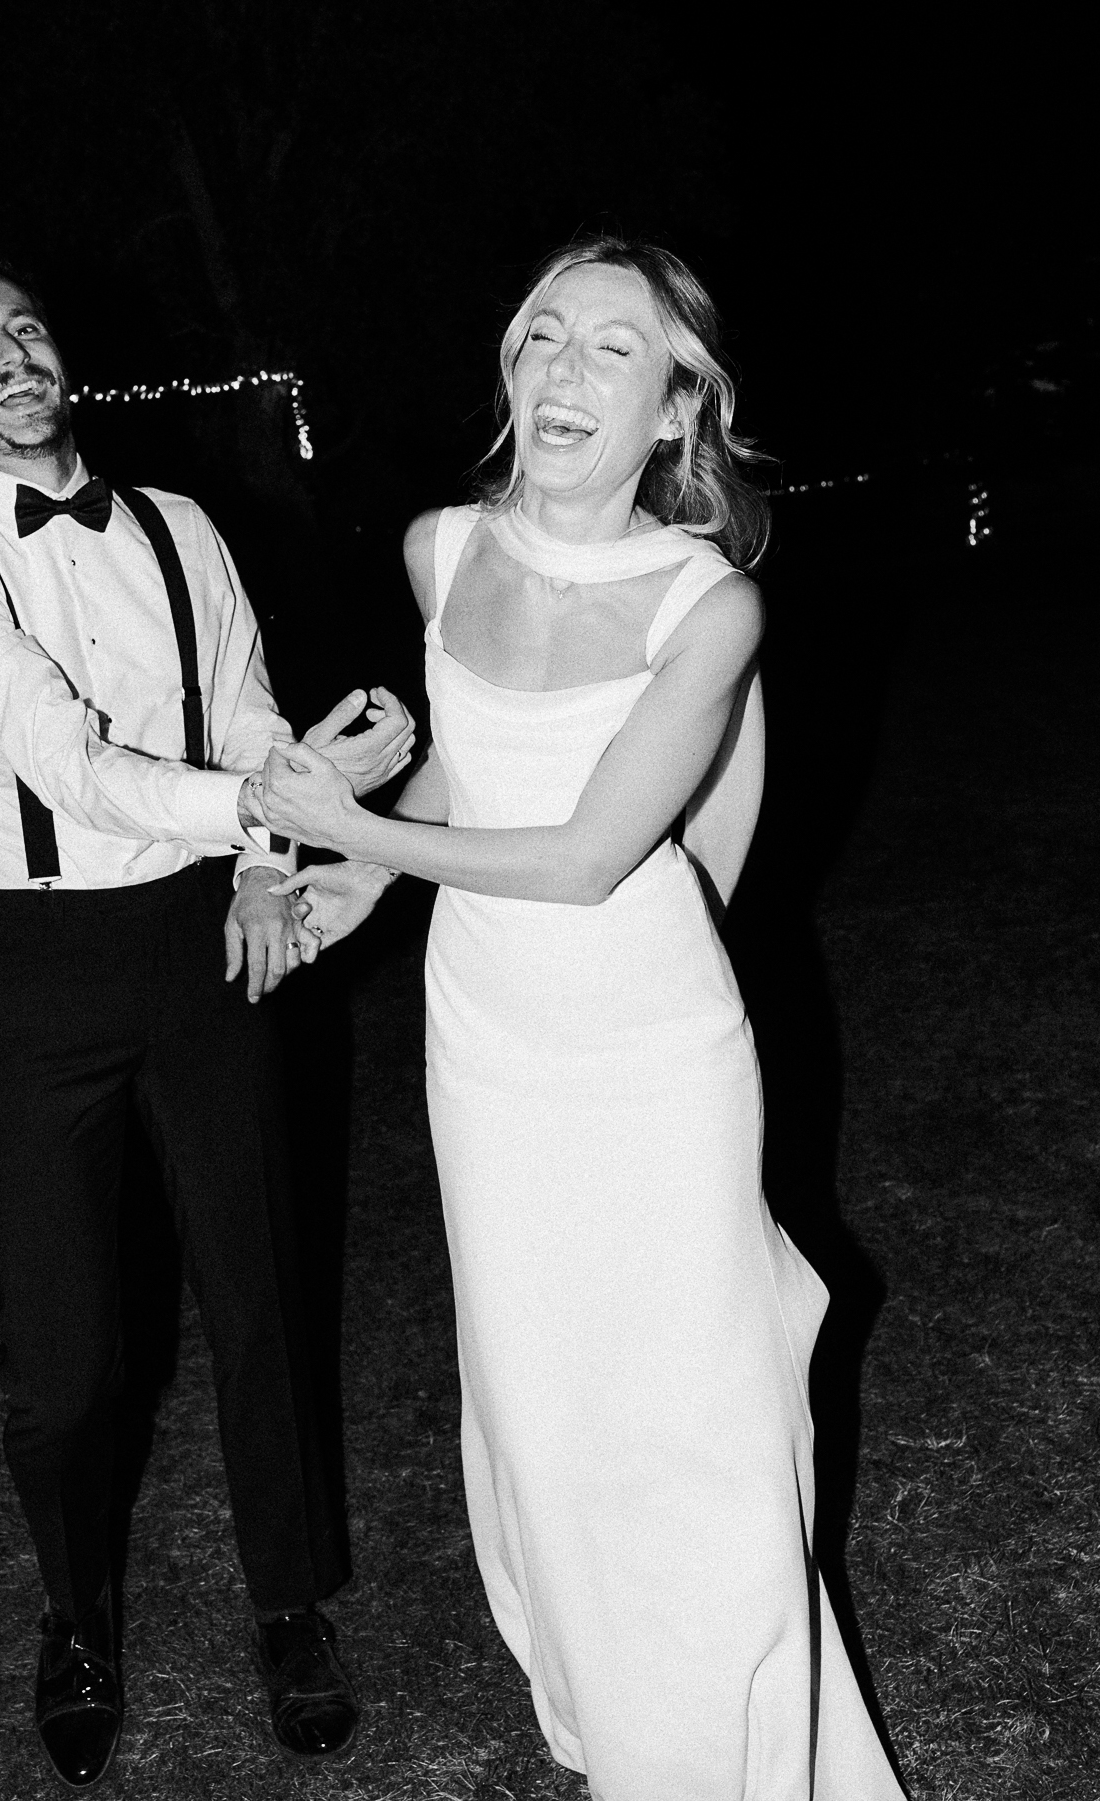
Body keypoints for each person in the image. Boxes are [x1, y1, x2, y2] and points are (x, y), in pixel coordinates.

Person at [259, 238, 906, 1798]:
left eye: (614, 348)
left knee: (694, 1421)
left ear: (675, 405)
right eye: (544, 335)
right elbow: (468, 775)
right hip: (488, 1045)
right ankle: (625, 1733)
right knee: (543, 1408)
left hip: (651, 1049)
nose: (564, 369)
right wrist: (345, 881)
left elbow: (592, 856)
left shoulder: (708, 604)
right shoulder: (439, 551)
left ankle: (748, 1751)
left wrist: (348, 827)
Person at [0, 250, 414, 1788]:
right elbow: (67, 763)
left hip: (197, 934)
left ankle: (290, 1604)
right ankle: (76, 1618)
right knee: (61, 1355)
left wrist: (264, 864)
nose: (9, 354)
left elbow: (242, 712)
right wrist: (266, 805)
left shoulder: (180, 526)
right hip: (36, 965)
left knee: (258, 1287)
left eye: (25, 327)